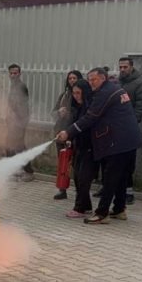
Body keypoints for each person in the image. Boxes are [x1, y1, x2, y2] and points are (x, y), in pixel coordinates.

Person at [57, 67, 142, 225]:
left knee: (110, 178)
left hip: (118, 142)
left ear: (103, 78)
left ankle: (102, 213)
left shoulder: (105, 93)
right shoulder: (115, 88)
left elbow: (90, 117)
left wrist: (68, 133)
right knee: (122, 177)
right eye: (89, 80)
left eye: (94, 79)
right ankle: (119, 209)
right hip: (130, 140)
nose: (91, 83)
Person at [117, 57, 142, 205]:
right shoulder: (118, 81)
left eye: (125, 67)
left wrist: (131, 122)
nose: (122, 70)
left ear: (131, 67)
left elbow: (141, 105)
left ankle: (129, 191)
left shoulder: (140, 82)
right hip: (115, 126)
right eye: (120, 67)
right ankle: (110, 187)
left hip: (130, 128)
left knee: (128, 161)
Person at [65, 79, 95, 218]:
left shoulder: (90, 108)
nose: (76, 96)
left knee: (83, 178)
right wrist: (71, 140)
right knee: (77, 177)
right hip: (80, 147)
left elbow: (84, 126)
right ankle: (87, 206)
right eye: (74, 93)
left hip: (90, 148)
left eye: (78, 93)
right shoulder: (78, 107)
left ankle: (80, 208)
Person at [52, 70, 83, 199]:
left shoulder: (82, 96)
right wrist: (59, 112)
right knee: (62, 163)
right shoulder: (63, 95)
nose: (72, 80)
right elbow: (53, 112)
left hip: (74, 134)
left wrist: (70, 115)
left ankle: (80, 191)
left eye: (74, 78)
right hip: (60, 133)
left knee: (77, 165)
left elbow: (82, 116)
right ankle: (62, 189)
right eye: (69, 78)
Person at [5, 64, 33, 180]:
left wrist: (20, 122)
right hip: (13, 122)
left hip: (19, 122)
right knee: (10, 146)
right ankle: (16, 170)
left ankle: (29, 172)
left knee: (19, 147)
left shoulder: (22, 86)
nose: (13, 75)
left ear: (20, 74)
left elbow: (23, 106)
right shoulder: (13, 86)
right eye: (11, 73)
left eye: (15, 73)